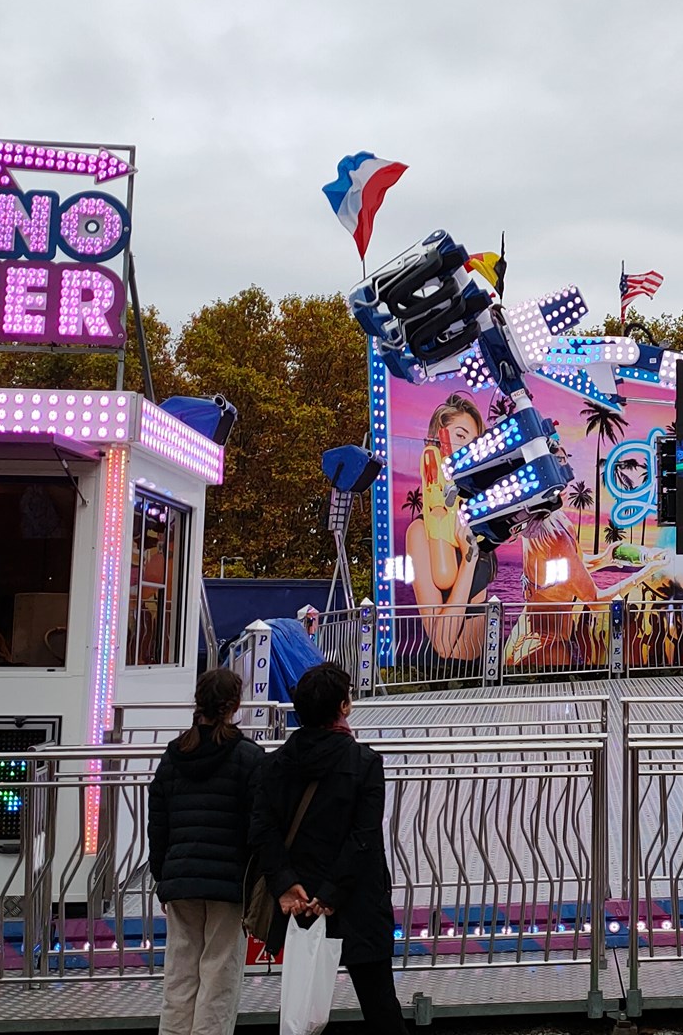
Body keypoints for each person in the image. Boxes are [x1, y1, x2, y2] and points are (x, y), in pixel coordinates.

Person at [251, 664, 403, 1035]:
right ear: (344, 706)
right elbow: (364, 837)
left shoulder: (273, 765)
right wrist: (331, 892)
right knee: (379, 1001)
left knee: (301, 1004)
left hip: (298, 901)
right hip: (356, 900)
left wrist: (285, 884)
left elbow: (262, 829)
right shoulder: (364, 763)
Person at [148, 669, 263, 1035]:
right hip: (229, 883)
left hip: (180, 878)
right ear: (235, 706)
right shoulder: (249, 758)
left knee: (180, 972)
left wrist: (162, 876)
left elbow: (158, 822)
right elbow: (257, 825)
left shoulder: (174, 756)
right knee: (219, 973)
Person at [400, 393, 492, 660]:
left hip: (488, 671)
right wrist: (468, 560)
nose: (467, 447)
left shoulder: (476, 517)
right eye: (460, 436)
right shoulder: (420, 533)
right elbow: (441, 644)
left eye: (474, 442)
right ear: (438, 440)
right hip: (451, 676)